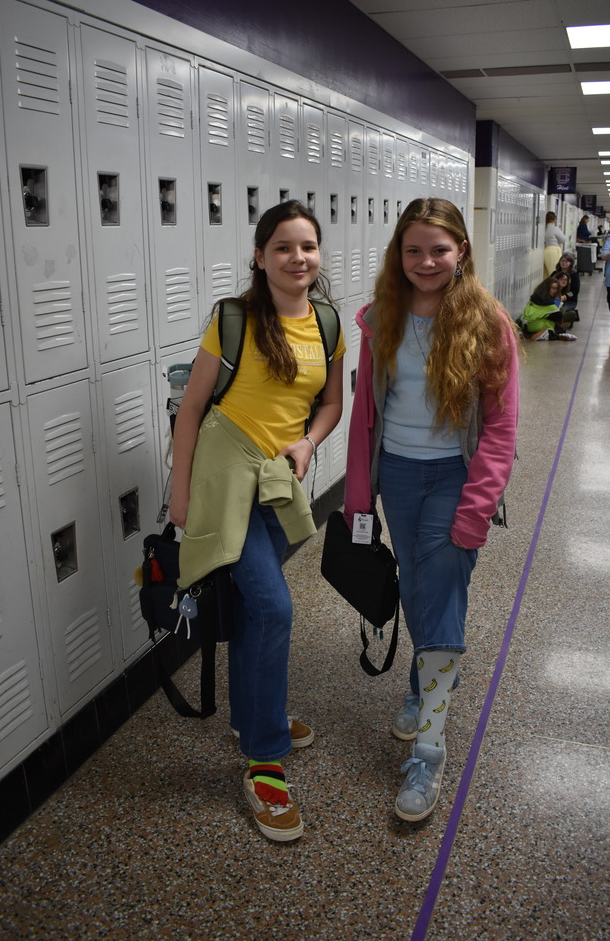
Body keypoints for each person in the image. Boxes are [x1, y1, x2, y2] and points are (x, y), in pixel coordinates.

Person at [169, 200, 345, 843]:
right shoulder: (233, 318)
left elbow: (332, 403)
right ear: (260, 255)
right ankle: (264, 762)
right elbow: (192, 409)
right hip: (224, 481)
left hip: (276, 481)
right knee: (273, 607)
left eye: (308, 247)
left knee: (255, 610)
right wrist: (180, 496)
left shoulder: (327, 322)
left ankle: (254, 716)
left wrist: (309, 443)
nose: (298, 258)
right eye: (283, 247)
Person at [344, 198, 519, 822]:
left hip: (455, 477)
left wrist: (476, 509)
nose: (425, 261)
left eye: (439, 250)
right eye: (413, 250)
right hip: (397, 474)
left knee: (441, 594)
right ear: (399, 253)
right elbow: (366, 413)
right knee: (416, 592)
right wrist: (358, 499)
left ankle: (430, 751)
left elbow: (500, 427)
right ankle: (426, 686)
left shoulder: (487, 322)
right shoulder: (380, 318)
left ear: (461, 252)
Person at [519, 275, 576, 340]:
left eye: (556, 289)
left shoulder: (534, 296)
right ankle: (545, 334)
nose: (555, 291)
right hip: (534, 326)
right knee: (565, 316)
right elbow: (558, 317)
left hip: (525, 324)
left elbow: (574, 292)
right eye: (553, 288)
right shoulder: (549, 302)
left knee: (552, 318)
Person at [554, 252, 580, 317]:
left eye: (566, 261)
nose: (564, 263)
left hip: (569, 301)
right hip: (556, 299)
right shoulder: (555, 273)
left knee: (560, 311)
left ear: (570, 263)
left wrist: (565, 297)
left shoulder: (574, 275)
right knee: (551, 310)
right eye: (562, 261)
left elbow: (575, 291)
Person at [544, 212, 566, 277]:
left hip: (545, 250)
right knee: (555, 270)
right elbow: (563, 239)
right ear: (554, 219)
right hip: (554, 251)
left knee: (546, 272)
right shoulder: (555, 229)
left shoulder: (543, 228)